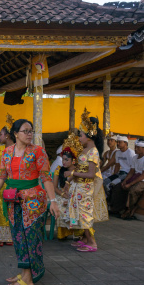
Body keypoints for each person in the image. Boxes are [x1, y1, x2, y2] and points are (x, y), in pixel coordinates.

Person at [0, 119, 59, 285]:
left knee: (30, 237)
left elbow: (46, 178)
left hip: (33, 201)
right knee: (18, 236)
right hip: (13, 200)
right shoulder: (7, 152)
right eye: (25, 131)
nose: (29, 134)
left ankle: (29, 278)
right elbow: (1, 176)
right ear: (16, 133)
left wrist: (53, 201)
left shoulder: (38, 152)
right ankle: (25, 272)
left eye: (30, 131)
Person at [66, 108, 108, 252]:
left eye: (81, 135)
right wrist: (71, 179)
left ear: (89, 136)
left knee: (85, 215)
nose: (78, 138)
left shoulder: (93, 152)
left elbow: (91, 174)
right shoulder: (85, 150)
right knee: (78, 214)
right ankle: (85, 239)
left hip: (86, 188)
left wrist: (73, 172)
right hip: (79, 187)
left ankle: (92, 242)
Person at [0, 114, 15, 246]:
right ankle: (6, 237)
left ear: (7, 136)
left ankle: (4, 237)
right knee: (5, 209)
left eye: (1, 134)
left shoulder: (7, 150)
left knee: (4, 209)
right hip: (7, 184)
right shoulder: (5, 149)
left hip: (6, 184)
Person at [54, 133, 85, 240]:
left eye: (66, 160)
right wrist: (63, 194)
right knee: (61, 206)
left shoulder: (77, 171)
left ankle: (76, 231)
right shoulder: (59, 169)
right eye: (63, 159)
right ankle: (63, 233)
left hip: (75, 196)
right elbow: (54, 188)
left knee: (75, 208)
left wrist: (71, 197)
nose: (64, 162)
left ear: (73, 161)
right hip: (62, 195)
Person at [116, 140, 144, 220]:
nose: (135, 149)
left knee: (133, 190)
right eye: (135, 147)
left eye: (138, 147)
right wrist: (125, 181)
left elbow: (142, 176)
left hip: (142, 179)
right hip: (136, 177)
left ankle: (129, 210)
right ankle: (118, 209)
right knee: (119, 187)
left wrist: (130, 184)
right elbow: (132, 172)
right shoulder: (135, 157)